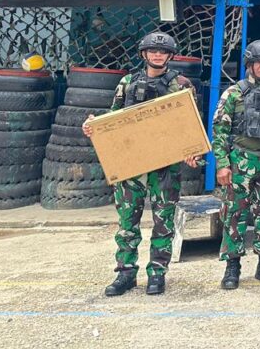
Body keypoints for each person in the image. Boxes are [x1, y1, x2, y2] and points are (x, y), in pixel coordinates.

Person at [82, 32, 198, 297]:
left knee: (163, 221)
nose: (158, 55)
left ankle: (157, 273)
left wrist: (191, 151)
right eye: (153, 51)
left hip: (166, 163)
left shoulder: (181, 84)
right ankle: (125, 273)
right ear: (144, 54)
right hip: (132, 162)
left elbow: (189, 122)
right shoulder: (127, 82)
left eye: (163, 51)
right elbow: (112, 119)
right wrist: (92, 126)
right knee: (127, 222)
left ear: (170, 55)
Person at [211, 39, 260, 289]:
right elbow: (220, 130)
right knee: (234, 213)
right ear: (249, 64)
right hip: (240, 160)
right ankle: (232, 266)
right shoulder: (234, 93)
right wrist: (222, 163)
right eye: (258, 62)